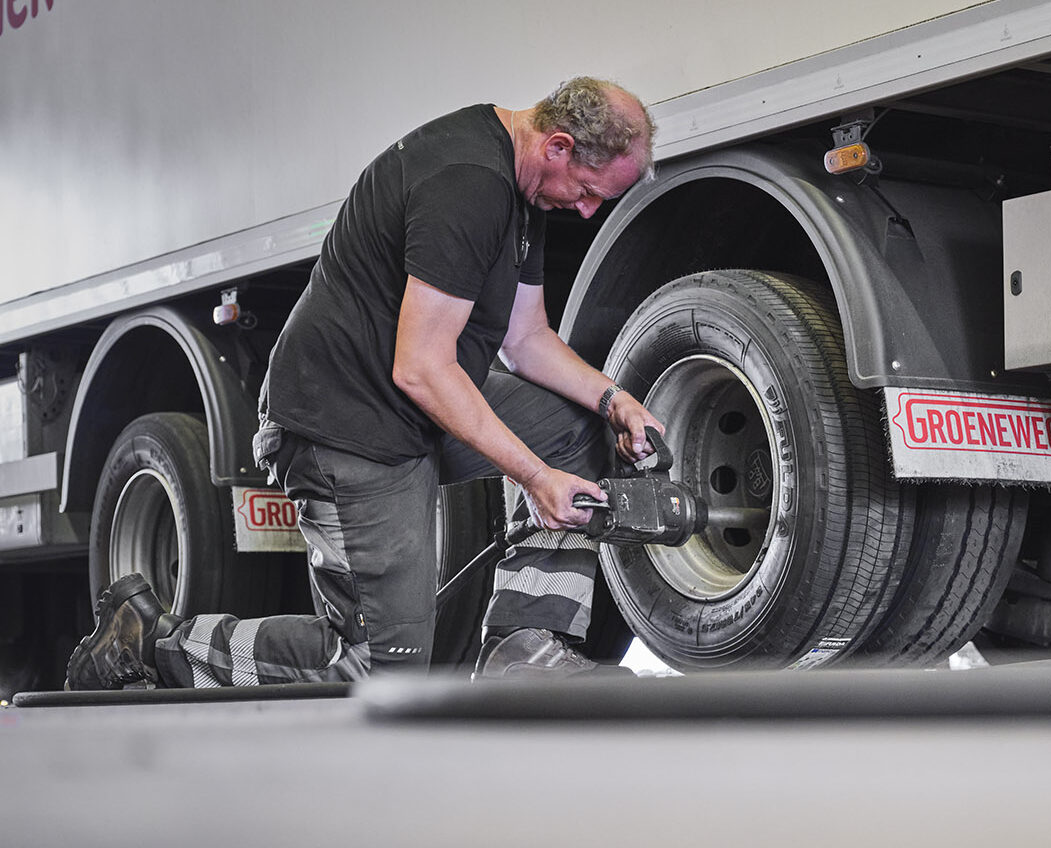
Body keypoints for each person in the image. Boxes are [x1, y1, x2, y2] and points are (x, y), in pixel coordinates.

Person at [68, 77, 660, 689]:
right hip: (343, 423)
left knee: (574, 429)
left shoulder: (526, 193)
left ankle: (524, 651)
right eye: (588, 193)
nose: (588, 210)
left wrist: (614, 399)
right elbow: (422, 367)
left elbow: (526, 339)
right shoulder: (468, 183)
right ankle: (156, 645)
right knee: (376, 668)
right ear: (558, 147)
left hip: (406, 410)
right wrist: (534, 478)